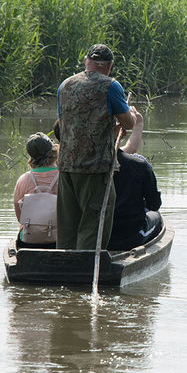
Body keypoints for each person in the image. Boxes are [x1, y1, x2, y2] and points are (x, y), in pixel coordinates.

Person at [56, 44, 135, 250]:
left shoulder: (65, 85)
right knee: (94, 221)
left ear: (86, 62)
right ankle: (85, 268)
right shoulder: (112, 86)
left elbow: (65, 121)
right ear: (108, 66)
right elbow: (129, 124)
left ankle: (63, 267)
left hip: (66, 165)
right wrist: (131, 117)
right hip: (95, 167)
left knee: (67, 224)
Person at [109, 107, 162, 250]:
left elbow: (130, 148)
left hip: (93, 235)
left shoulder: (81, 165)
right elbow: (154, 205)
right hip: (129, 237)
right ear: (121, 133)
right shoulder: (139, 164)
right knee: (157, 217)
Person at [13, 133, 59, 249]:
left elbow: (20, 218)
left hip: (28, 241)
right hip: (58, 241)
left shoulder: (23, 180)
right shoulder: (64, 178)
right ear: (53, 151)